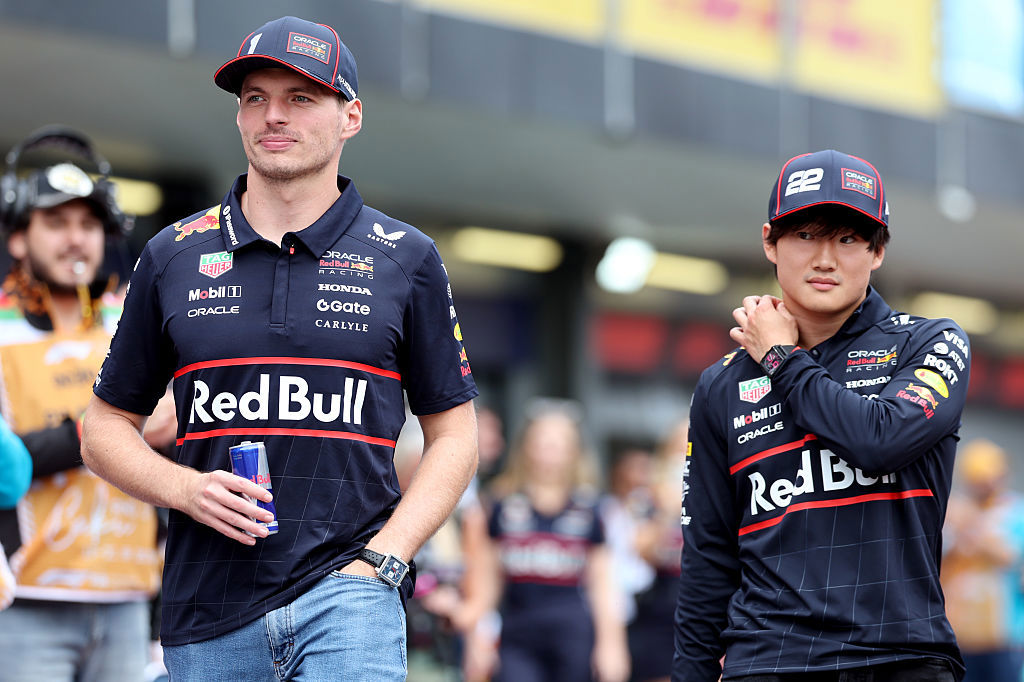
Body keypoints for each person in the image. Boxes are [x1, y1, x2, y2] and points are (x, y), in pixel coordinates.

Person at [81, 15, 479, 681]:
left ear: (350, 116)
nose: (274, 117)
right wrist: (184, 488)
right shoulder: (172, 254)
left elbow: (456, 435)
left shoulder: (405, 259)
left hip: (350, 598)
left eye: (301, 98)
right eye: (255, 99)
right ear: (239, 117)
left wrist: (389, 557)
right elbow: (102, 429)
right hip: (207, 609)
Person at [674, 149, 970, 681]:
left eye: (849, 238)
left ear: (877, 250)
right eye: (806, 235)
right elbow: (708, 556)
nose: (825, 258)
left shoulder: (930, 342)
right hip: (768, 662)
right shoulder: (722, 384)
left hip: (899, 658)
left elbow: (879, 439)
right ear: (770, 241)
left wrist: (781, 360)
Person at [0, 126, 173, 680]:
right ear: (19, 238)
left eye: (88, 224)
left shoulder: (136, 325)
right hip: (25, 597)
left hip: (128, 600)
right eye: (55, 223)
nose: (75, 239)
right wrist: (111, 431)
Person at [482, 402, 630, 682]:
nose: (549, 452)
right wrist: (480, 636)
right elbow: (487, 581)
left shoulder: (590, 509)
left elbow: (603, 586)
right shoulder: (503, 506)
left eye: (558, 444)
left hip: (573, 633)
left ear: (574, 452)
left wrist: (612, 645)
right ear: (526, 448)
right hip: (518, 632)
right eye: (542, 442)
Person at [942, 439, 1024, 682]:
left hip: (1002, 636)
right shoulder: (953, 511)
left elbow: (1009, 556)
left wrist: (971, 525)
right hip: (960, 634)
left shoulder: (1014, 511)